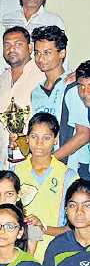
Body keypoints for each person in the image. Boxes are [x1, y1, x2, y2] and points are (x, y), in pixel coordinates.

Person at [11, 113, 78, 262]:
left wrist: (44, 227)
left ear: (55, 140)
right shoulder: (15, 172)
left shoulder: (68, 176)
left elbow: (74, 227)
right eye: (34, 136)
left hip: (56, 252)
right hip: (20, 253)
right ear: (26, 138)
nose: (39, 143)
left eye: (46, 138)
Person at [31, 26, 89, 175]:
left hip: (72, 168)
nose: (40, 58)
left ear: (62, 53)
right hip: (46, 167)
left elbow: (84, 134)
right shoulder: (36, 92)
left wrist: (50, 160)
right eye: (37, 53)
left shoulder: (73, 87)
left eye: (47, 53)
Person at [0, 26, 45, 166]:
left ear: (30, 48)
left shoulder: (42, 74)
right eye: (7, 45)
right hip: (5, 159)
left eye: (18, 44)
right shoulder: (1, 79)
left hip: (34, 161)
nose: (12, 49)